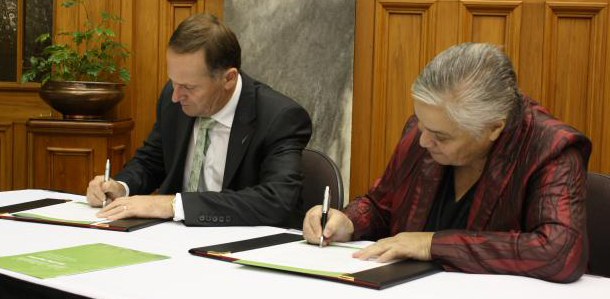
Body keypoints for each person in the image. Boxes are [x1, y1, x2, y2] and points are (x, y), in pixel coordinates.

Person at [303, 42, 591, 283]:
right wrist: (349, 221)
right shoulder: (425, 130)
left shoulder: (551, 148)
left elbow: (559, 251)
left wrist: (432, 244)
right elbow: (381, 206)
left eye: (441, 135)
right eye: (421, 124)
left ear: (493, 128)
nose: (423, 141)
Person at [86, 14, 312, 227]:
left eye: (188, 87)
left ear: (228, 79)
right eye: (173, 82)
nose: (176, 95)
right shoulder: (173, 97)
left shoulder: (279, 117)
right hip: (171, 239)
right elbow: (151, 161)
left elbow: (277, 200)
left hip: (241, 247)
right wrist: (120, 187)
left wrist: (174, 205)